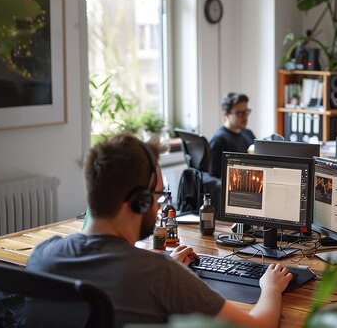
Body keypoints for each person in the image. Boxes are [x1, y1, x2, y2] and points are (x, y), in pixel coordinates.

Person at [27, 134, 292, 328]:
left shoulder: (43, 255)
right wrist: (270, 288)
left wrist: (166, 265)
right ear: (139, 202)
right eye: (158, 196)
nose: (159, 204)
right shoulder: (160, 275)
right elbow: (258, 326)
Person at [209, 93, 256, 178]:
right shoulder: (219, 140)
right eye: (240, 113)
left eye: (246, 112)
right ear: (226, 114)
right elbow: (214, 179)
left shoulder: (248, 133)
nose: (245, 117)